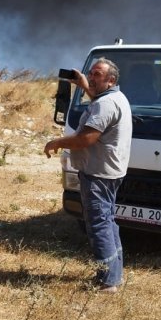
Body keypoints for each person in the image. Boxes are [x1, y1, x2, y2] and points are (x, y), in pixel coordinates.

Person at [44, 58, 132, 292]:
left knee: (98, 224)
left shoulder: (106, 104)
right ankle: (114, 274)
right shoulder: (115, 97)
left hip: (98, 174)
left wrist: (57, 142)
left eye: (97, 74)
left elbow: (86, 138)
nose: (92, 77)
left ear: (111, 80)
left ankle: (107, 282)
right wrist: (84, 86)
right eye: (91, 73)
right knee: (108, 221)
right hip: (109, 171)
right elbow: (99, 102)